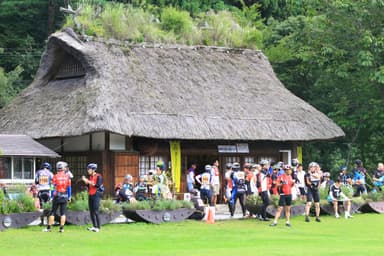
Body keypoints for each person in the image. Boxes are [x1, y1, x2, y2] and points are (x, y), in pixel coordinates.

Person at [43, 161, 72, 233]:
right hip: (65, 196)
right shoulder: (67, 177)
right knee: (63, 213)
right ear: (63, 169)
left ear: (57, 168)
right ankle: (61, 228)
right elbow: (69, 188)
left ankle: (49, 228)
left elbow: (52, 187)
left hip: (57, 196)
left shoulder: (55, 176)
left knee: (52, 212)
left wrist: (51, 196)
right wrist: (69, 196)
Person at [82, 163, 104, 232]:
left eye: (89, 169)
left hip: (96, 194)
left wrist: (88, 181)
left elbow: (97, 185)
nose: (88, 170)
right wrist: (86, 182)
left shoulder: (98, 176)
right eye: (88, 169)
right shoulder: (91, 177)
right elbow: (89, 186)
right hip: (90, 194)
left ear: (93, 170)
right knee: (91, 211)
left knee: (96, 211)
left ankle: (98, 227)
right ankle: (94, 226)